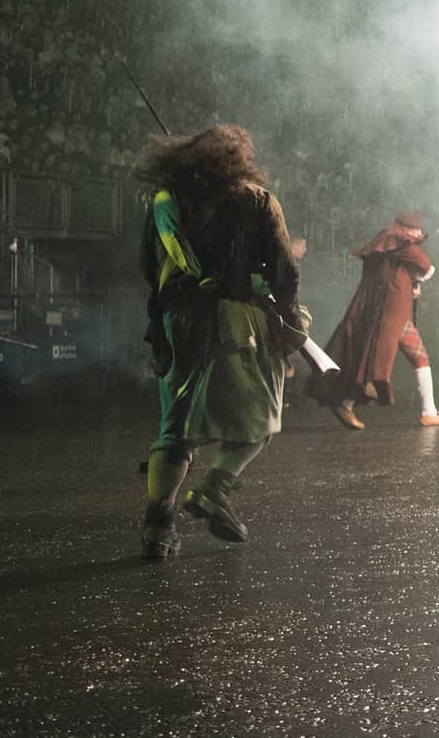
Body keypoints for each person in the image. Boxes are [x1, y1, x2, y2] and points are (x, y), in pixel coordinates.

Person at [134, 124, 305, 559]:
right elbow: (284, 270)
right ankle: (214, 488)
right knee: (262, 413)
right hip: (237, 320)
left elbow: (146, 263)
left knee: (176, 426)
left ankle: (159, 523)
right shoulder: (258, 199)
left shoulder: (165, 201)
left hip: (179, 321)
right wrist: (288, 316)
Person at [309, 212, 439, 429]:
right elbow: (427, 267)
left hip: (385, 313)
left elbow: (391, 274)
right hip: (393, 315)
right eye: (416, 230)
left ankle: (347, 404)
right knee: (381, 362)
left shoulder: (385, 243)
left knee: (372, 358)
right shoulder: (402, 244)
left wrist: (411, 283)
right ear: (406, 230)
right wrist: (416, 280)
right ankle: (428, 412)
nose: (419, 234)